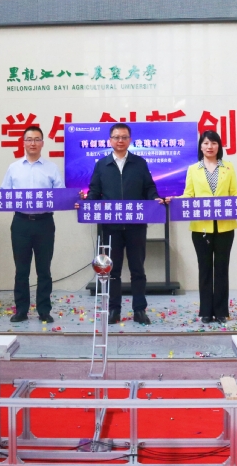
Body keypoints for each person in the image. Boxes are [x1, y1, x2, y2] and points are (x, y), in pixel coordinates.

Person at [170, 130, 237, 324]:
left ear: (219, 146)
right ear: (201, 146)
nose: (210, 146)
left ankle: (222, 311)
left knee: (222, 269)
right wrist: (174, 200)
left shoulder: (228, 167)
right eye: (206, 143)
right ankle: (206, 311)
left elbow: (234, 192)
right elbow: (189, 194)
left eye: (214, 143)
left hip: (225, 227)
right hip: (201, 228)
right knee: (205, 269)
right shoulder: (193, 169)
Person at [85, 123, 164, 325]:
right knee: (112, 270)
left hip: (136, 225)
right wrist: (86, 204)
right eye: (116, 137)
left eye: (124, 137)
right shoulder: (101, 165)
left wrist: (155, 199)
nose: (120, 141)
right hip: (110, 227)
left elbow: (149, 188)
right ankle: (114, 310)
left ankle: (139, 310)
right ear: (110, 140)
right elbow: (94, 191)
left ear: (130, 140)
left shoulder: (139, 163)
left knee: (138, 270)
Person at [2, 126, 65, 324]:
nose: (33, 143)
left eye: (37, 139)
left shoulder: (51, 168)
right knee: (21, 270)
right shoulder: (14, 168)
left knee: (44, 270)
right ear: (23, 143)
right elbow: (4, 194)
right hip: (20, 223)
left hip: (44, 223)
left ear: (42, 143)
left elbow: (61, 194)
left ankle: (44, 310)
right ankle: (21, 310)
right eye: (29, 139)